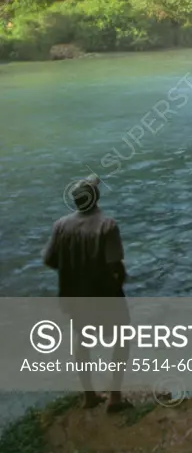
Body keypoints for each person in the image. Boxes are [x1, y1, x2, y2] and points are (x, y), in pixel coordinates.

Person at [43, 175, 131, 412]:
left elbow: (49, 260)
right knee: (121, 341)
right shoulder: (107, 225)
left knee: (83, 342)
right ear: (97, 198)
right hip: (105, 295)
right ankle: (114, 396)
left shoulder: (61, 226)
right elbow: (115, 265)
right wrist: (120, 279)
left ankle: (89, 396)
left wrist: (74, 267)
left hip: (74, 296)